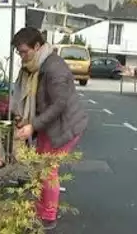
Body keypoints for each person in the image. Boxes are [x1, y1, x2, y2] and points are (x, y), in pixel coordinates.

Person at [10, 27, 88, 230]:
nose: (22, 56)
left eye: (24, 51)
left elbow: (59, 105)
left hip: (65, 126)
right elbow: (30, 98)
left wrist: (32, 126)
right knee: (39, 167)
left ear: (37, 46)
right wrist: (23, 117)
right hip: (49, 125)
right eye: (19, 52)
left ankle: (48, 216)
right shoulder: (34, 66)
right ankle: (40, 208)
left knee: (47, 170)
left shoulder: (54, 68)